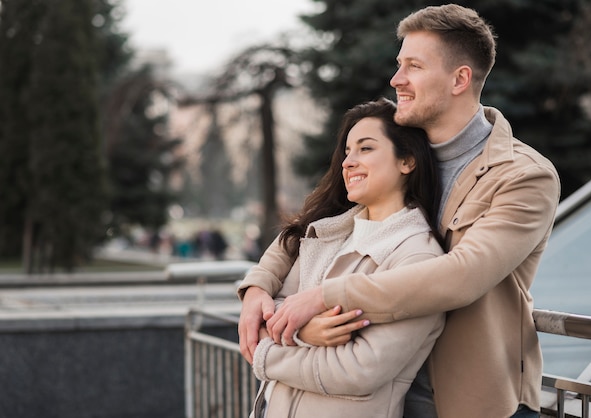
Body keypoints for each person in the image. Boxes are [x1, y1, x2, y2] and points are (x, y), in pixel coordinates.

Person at [238, 4, 561, 418]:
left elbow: (462, 275)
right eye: (398, 64)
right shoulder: (394, 147)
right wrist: (259, 288)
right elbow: (319, 224)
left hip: (467, 402)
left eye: (413, 66)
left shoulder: (524, 176)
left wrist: (323, 298)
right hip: (380, 401)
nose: (396, 79)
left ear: (460, 79)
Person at [246, 98, 445, 418]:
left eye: (365, 149)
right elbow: (270, 314)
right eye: (348, 151)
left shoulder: (417, 256)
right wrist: (302, 331)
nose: (348, 162)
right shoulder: (325, 235)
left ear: (407, 161)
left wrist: (266, 353)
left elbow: (359, 369)